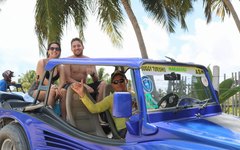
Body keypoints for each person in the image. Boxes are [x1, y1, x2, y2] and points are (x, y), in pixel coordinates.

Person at [71, 70, 131, 138]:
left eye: (121, 80)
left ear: (126, 81)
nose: (119, 84)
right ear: (112, 85)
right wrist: (82, 94)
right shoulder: (110, 99)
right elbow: (94, 109)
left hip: (138, 125)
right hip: (124, 130)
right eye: (115, 82)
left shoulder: (135, 95)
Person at [30, 42, 67, 119]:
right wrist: (54, 87)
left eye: (57, 49)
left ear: (59, 51)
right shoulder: (42, 62)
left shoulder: (60, 66)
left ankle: (64, 119)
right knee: (52, 91)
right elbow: (41, 78)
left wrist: (58, 88)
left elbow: (63, 81)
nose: (54, 50)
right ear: (48, 51)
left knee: (63, 91)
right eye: (52, 48)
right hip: (37, 89)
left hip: (51, 88)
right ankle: (48, 119)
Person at [64, 37, 106, 102]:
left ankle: (98, 107)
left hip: (85, 84)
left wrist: (92, 74)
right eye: (74, 46)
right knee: (83, 87)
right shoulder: (68, 60)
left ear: (83, 47)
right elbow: (67, 79)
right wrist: (82, 85)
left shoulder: (89, 60)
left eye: (78, 46)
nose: (76, 48)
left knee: (103, 83)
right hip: (71, 84)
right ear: (71, 49)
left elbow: (96, 80)